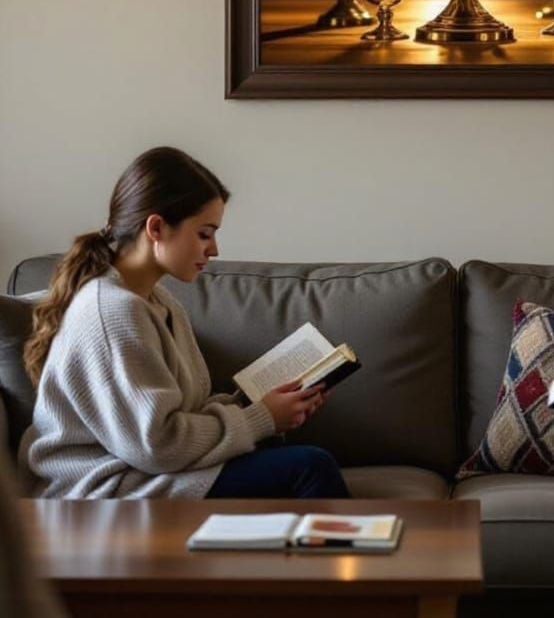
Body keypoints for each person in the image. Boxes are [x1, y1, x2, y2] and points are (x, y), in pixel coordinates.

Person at [19, 146, 348, 500]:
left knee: (289, 458)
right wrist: (261, 419)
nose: (214, 249)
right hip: (108, 487)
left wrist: (261, 407)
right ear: (157, 227)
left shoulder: (162, 304)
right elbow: (156, 445)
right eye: (205, 233)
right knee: (310, 467)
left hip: (146, 470)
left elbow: (184, 416)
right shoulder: (112, 311)